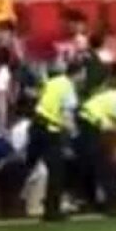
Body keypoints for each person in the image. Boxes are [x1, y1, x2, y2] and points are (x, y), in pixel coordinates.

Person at [27, 61, 87, 222]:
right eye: (83, 74)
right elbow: (66, 115)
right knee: (57, 171)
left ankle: (29, 202)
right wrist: (74, 133)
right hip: (50, 130)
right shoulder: (69, 89)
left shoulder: (54, 81)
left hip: (36, 125)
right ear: (79, 74)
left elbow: (40, 96)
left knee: (31, 164)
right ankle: (52, 211)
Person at [77, 73, 116, 211]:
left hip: (86, 122)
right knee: (106, 165)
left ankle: (93, 201)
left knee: (95, 165)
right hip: (92, 125)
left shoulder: (111, 95)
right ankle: (112, 204)